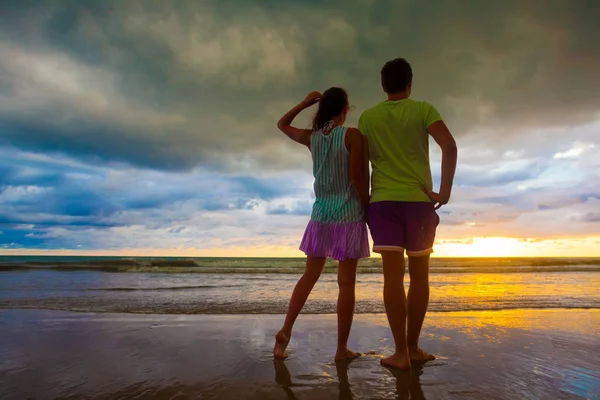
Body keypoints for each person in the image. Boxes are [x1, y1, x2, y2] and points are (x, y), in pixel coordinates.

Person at [358, 58, 458, 370]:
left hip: (383, 203)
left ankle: (400, 353)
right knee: (419, 277)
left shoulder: (368, 118)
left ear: (383, 85)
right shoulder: (423, 109)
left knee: (392, 279)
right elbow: (449, 146)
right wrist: (444, 192)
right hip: (419, 203)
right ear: (410, 84)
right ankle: (413, 347)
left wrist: (365, 205)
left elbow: (361, 167)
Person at [273, 88, 370, 361]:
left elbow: (282, 124)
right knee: (346, 284)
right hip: (348, 216)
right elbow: (357, 179)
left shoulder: (312, 138)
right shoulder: (351, 135)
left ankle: (285, 330)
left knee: (309, 276)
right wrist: (369, 209)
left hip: (320, 216)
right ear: (345, 109)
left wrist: (303, 103)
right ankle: (341, 350)